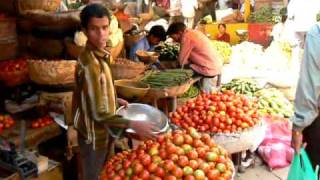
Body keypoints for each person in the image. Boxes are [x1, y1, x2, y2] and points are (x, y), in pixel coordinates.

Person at [70, 4, 158, 180]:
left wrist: (114, 99)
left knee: (106, 171)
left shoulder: (102, 55)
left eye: (104, 28)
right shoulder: (90, 64)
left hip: (105, 129)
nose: (101, 34)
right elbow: (98, 113)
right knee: (93, 175)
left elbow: (98, 89)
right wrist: (132, 124)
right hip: (93, 134)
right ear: (85, 31)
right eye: (94, 29)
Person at [291, 23, 320, 170]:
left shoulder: (318, 33)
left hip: (317, 122)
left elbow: (310, 84)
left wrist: (298, 128)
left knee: (312, 169)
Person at [167, 22, 223, 92]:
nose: (174, 40)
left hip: (209, 69)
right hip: (216, 65)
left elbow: (181, 61)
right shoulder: (193, 32)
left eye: (173, 37)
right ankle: (196, 86)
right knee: (186, 66)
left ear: (180, 32)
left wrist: (172, 69)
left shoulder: (186, 37)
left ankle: (189, 88)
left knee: (183, 68)